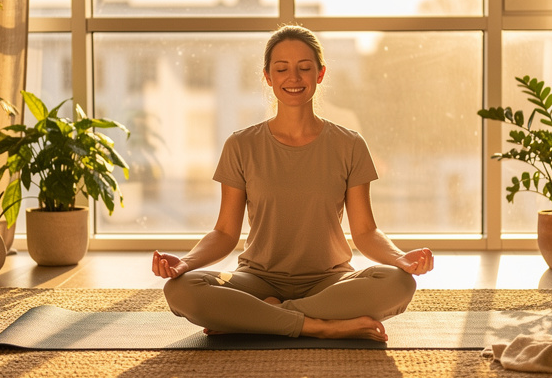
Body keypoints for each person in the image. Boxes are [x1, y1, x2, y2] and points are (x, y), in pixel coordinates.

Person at [152, 25, 434, 342]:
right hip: (256, 279)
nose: (294, 78)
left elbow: (365, 232)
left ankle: (257, 316)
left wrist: (399, 259)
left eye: (304, 68)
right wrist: (186, 263)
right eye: (282, 69)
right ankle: (319, 326)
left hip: (330, 280)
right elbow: (225, 232)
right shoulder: (241, 145)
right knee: (181, 290)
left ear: (320, 73)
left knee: (399, 284)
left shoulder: (350, 145)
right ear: (268, 77)